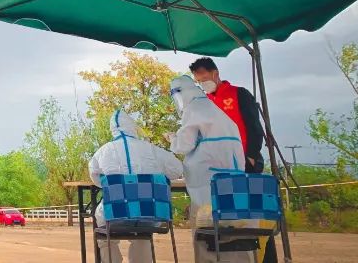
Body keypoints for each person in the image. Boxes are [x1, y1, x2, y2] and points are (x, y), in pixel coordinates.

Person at [189, 57, 277, 262]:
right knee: (225, 218)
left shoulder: (239, 94)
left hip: (245, 164)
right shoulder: (205, 104)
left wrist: (253, 157)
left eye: (204, 78)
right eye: (198, 81)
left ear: (215, 74)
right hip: (218, 171)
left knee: (252, 216)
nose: (202, 84)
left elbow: (254, 127)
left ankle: (264, 258)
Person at [169, 75, 249, 263]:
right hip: (233, 184)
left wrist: (173, 139)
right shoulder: (216, 110)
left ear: (180, 94)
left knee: (204, 234)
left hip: (208, 186)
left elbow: (184, 145)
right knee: (234, 234)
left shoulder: (193, 110)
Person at [88, 110, 183, 263]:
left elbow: (95, 178)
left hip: (114, 216)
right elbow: (178, 169)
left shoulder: (103, 152)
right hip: (151, 216)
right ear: (133, 127)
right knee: (142, 233)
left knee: (104, 231)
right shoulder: (152, 149)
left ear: (112, 129)